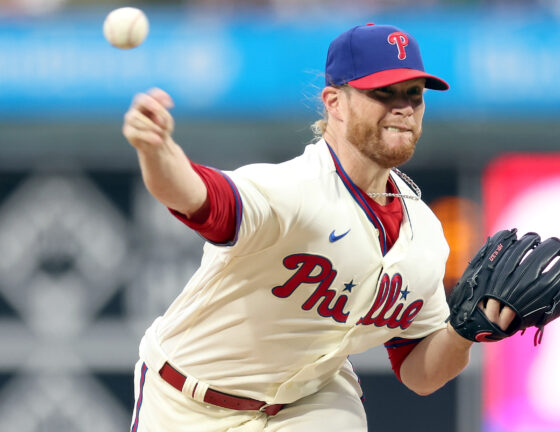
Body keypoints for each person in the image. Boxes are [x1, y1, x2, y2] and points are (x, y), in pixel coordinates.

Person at [123, 23, 516, 432]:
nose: (403, 107)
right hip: (185, 400)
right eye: (383, 92)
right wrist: (156, 152)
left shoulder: (425, 236)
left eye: (414, 94)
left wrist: (466, 332)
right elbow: (195, 195)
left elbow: (420, 372)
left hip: (309, 403)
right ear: (335, 102)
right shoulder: (294, 191)